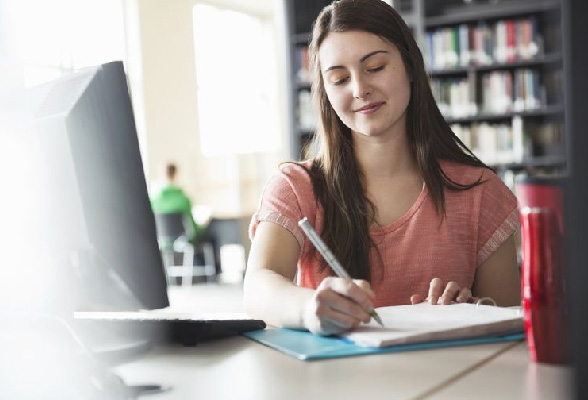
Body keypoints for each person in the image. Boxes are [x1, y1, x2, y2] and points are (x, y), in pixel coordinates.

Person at [244, 0, 520, 336]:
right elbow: (258, 287)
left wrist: (473, 310)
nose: (360, 89)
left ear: (410, 67)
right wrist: (307, 308)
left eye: (375, 67)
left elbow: (509, 323)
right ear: (326, 94)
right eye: (340, 78)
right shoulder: (296, 186)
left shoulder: (480, 191)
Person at [150, 162, 203, 244]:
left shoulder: (154, 200)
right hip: (182, 243)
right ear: (175, 174)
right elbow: (192, 226)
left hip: (161, 243)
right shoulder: (183, 199)